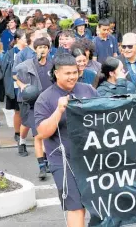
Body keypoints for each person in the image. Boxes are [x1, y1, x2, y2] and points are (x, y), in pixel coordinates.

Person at [34, 53, 99, 227]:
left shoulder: (88, 90)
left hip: (91, 157)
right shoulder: (45, 98)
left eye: (74, 72)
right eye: (67, 73)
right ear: (56, 73)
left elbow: (104, 116)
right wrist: (59, 110)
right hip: (63, 160)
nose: (72, 77)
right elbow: (43, 132)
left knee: (99, 204)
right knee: (76, 206)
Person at [16, 37, 53, 180]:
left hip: (48, 103)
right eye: (40, 47)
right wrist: (23, 86)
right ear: (35, 49)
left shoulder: (52, 65)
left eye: (45, 47)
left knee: (44, 135)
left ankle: (46, 163)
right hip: (32, 102)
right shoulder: (28, 65)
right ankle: (40, 165)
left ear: (49, 49)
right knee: (34, 132)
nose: (42, 50)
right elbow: (16, 76)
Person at [2, 29, 27, 142]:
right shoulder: (10, 53)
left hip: (29, 85)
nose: (27, 40)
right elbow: (4, 70)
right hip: (15, 86)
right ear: (18, 40)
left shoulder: (29, 52)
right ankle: (17, 132)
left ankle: (27, 131)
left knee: (29, 110)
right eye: (25, 38)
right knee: (18, 111)